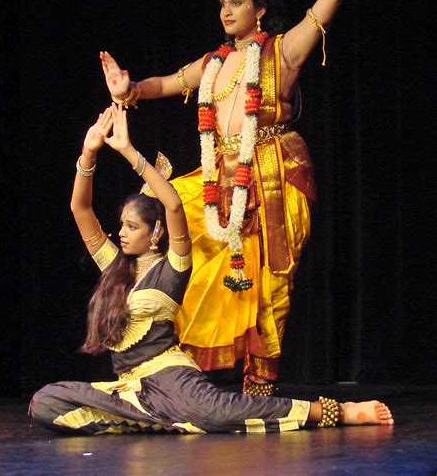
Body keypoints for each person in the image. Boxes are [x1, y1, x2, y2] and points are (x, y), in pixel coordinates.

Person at [99, 0, 406, 395]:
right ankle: (161, 360)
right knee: (176, 235)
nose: (226, 10)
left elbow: (327, 2)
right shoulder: (214, 63)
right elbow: (167, 83)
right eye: (223, 1)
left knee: (267, 283)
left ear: (260, 8)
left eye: (238, 1)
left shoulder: (281, 53)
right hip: (221, 175)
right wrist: (128, 89)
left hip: (274, 175)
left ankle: (259, 386)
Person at [29, 102, 394, 434]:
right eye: (121, 225)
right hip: (128, 387)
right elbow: (81, 210)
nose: (121, 233)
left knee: (219, 413)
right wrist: (88, 152)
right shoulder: (114, 267)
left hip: (171, 378)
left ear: (155, 233)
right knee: (46, 401)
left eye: (132, 227)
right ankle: (157, 419)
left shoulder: (173, 266)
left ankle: (333, 411)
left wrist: (127, 151)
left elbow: (172, 205)